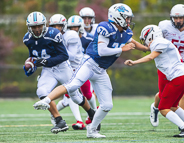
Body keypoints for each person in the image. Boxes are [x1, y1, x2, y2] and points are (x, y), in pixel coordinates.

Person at [33, 3, 148, 138]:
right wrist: (121, 49)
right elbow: (102, 50)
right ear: (118, 18)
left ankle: (92, 130)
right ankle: (46, 100)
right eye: (126, 18)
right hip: (90, 63)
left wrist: (147, 49)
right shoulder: (105, 27)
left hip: (101, 70)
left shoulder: (126, 32)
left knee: (107, 105)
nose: (129, 21)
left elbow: (131, 41)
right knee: (73, 85)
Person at [125, 24, 184, 137]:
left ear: (150, 36)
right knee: (174, 106)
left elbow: (150, 56)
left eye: (145, 39)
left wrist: (134, 62)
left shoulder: (158, 42)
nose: (145, 42)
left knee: (163, 108)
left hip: (178, 77)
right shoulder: (161, 42)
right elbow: (145, 48)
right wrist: (129, 39)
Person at [150, 4, 184, 127]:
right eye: (175, 18)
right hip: (167, 63)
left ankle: (182, 123)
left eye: (181, 18)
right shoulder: (164, 26)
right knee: (163, 95)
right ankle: (155, 107)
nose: (178, 20)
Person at [23, 11, 70, 134]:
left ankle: (91, 114)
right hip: (48, 69)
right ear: (29, 27)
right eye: (34, 27)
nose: (37, 29)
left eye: (39, 26)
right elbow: (33, 56)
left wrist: (45, 61)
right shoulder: (27, 39)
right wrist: (30, 66)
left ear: (44, 25)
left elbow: (64, 56)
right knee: (41, 91)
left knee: (75, 95)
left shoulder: (53, 33)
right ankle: (59, 121)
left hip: (62, 66)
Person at [48, 14, 86, 130]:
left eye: (59, 26)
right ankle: (81, 120)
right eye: (54, 26)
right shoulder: (51, 36)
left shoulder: (71, 35)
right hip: (67, 68)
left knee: (85, 94)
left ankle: (91, 117)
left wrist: (57, 54)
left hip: (79, 67)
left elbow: (72, 56)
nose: (56, 29)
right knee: (71, 94)